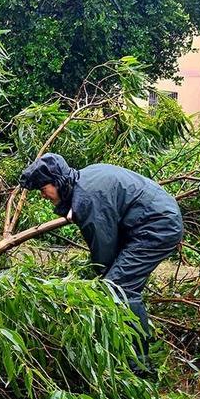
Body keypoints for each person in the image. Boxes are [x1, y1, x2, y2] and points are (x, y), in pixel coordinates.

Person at [19, 153, 183, 373]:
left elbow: (103, 252)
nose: (42, 195)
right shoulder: (84, 181)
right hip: (148, 221)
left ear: (57, 182)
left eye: (42, 189)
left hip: (156, 228)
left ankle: (140, 366)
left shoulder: (86, 197)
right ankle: (124, 352)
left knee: (119, 289)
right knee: (117, 283)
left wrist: (95, 286)